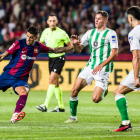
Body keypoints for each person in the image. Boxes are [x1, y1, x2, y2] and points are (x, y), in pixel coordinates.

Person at [0, 26, 74, 123]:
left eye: (31, 37)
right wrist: (1, 56)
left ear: (36, 38)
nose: (28, 39)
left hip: (21, 79)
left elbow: (55, 50)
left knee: (24, 92)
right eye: (27, 36)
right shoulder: (19, 43)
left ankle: (15, 115)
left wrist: (71, 47)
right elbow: (4, 54)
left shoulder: (38, 47)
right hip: (9, 75)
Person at [64, 10, 118, 123]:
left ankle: (104, 90)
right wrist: (74, 44)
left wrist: (101, 65)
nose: (96, 20)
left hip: (103, 69)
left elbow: (114, 53)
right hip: (90, 67)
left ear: (105, 21)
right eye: (95, 18)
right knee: (74, 90)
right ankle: (73, 117)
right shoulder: (90, 33)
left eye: (99, 19)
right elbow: (78, 50)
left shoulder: (111, 33)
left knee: (96, 99)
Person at [36, 13, 72, 112]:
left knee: (51, 80)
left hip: (59, 58)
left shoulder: (62, 33)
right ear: (47, 22)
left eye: (54, 21)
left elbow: (71, 47)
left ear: (57, 21)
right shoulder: (45, 31)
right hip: (51, 58)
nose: (52, 23)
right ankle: (61, 107)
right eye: (50, 21)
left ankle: (45, 105)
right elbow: (40, 43)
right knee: (55, 83)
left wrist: (62, 49)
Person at [113, 6, 140, 132]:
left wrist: (136, 77)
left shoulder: (134, 33)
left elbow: (136, 56)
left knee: (118, 92)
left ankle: (125, 123)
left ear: (130, 18)